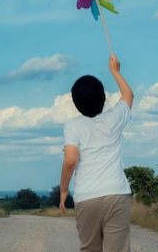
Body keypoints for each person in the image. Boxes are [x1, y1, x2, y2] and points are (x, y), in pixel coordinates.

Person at [59, 54, 134, 252]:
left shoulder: (72, 126)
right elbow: (128, 95)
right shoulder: (114, 118)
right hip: (116, 193)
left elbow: (70, 161)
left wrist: (64, 190)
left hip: (87, 197)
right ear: (104, 97)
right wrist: (115, 71)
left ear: (75, 103)